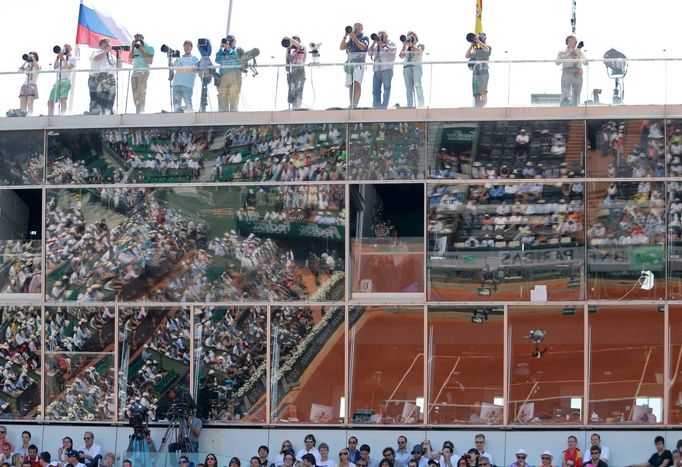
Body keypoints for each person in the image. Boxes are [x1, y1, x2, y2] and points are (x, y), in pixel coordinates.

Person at [340, 22, 369, 109]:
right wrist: (346, 35)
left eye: (357, 28)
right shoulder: (351, 39)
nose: (355, 29)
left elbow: (363, 47)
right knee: (351, 84)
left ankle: (355, 104)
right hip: (350, 63)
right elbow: (341, 47)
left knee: (357, 83)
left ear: (362, 28)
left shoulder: (365, 38)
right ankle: (351, 103)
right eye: (354, 28)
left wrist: (355, 39)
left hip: (359, 63)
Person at [88, 38, 120, 114]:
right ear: (101, 44)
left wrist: (119, 55)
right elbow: (96, 58)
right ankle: (95, 113)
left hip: (109, 79)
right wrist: (106, 51)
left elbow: (119, 67)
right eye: (106, 43)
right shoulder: (96, 52)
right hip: (96, 78)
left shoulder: (112, 56)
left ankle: (107, 111)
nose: (108, 45)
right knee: (96, 99)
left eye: (109, 43)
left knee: (109, 98)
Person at [556, 35, 587, 106]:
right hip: (567, 74)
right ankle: (564, 108)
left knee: (576, 95)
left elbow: (586, 62)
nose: (575, 42)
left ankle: (575, 107)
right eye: (573, 41)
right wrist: (570, 52)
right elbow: (557, 62)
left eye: (575, 41)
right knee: (565, 94)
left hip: (577, 74)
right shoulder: (562, 52)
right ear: (568, 42)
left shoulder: (580, 52)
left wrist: (579, 53)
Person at [369, 30, 396, 109]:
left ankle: (384, 107)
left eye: (382, 36)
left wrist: (381, 44)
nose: (380, 38)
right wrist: (374, 42)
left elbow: (390, 51)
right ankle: (376, 107)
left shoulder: (391, 44)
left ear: (386, 37)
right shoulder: (376, 46)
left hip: (387, 69)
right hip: (377, 70)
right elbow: (369, 53)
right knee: (375, 90)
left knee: (386, 90)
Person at [128, 33, 154, 113]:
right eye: (135, 38)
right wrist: (132, 48)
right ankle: (138, 107)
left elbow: (150, 61)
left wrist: (142, 51)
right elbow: (130, 59)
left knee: (141, 89)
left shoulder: (149, 47)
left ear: (142, 38)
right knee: (134, 90)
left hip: (144, 71)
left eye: (138, 38)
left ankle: (141, 108)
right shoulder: (135, 48)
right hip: (135, 71)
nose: (137, 40)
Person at [48, 43, 77, 116]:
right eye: (64, 48)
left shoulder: (73, 58)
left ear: (71, 49)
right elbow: (55, 67)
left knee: (62, 99)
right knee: (50, 100)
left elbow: (68, 67)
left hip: (66, 80)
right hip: (58, 81)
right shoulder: (61, 59)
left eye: (67, 48)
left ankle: (63, 114)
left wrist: (63, 59)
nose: (65, 49)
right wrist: (57, 58)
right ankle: (50, 116)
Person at [215, 35, 242, 112]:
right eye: (227, 40)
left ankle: (234, 115)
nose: (229, 42)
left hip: (234, 76)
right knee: (222, 97)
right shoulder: (223, 52)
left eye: (231, 40)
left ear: (235, 41)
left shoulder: (237, 50)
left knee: (234, 96)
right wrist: (221, 48)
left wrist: (229, 49)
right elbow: (217, 60)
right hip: (223, 77)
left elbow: (237, 58)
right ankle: (222, 115)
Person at [171, 40, 199, 112]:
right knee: (176, 105)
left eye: (188, 46)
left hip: (187, 85)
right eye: (185, 46)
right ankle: (178, 118)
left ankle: (189, 118)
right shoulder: (179, 58)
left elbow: (195, 69)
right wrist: (170, 58)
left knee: (188, 105)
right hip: (176, 83)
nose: (186, 47)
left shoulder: (194, 59)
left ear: (191, 48)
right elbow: (172, 68)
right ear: (183, 47)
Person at [465, 32, 491, 108]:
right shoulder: (476, 50)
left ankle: (484, 108)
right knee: (476, 93)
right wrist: (472, 44)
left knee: (483, 91)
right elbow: (467, 56)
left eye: (481, 36)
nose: (478, 37)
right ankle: (478, 108)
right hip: (475, 73)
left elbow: (486, 50)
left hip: (483, 72)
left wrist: (479, 41)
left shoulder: (488, 47)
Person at [399, 31, 424, 108]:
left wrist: (412, 45)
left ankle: (421, 104)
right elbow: (401, 56)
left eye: (411, 36)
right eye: (408, 36)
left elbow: (418, 52)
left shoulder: (420, 45)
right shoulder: (406, 47)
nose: (409, 37)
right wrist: (404, 45)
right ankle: (409, 106)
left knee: (418, 85)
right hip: (407, 68)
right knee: (408, 88)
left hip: (416, 67)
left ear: (415, 37)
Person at [285, 36, 307, 110]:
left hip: (300, 71)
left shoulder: (302, 48)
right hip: (293, 72)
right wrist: (288, 49)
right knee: (291, 91)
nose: (294, 43)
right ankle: (293, 108)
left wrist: (290, 39)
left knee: (299, 90)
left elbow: (299, 46)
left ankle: (296, 108)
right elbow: (287, 62)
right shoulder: (292, 52)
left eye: (296, 41)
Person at [18, 51, 40, 115]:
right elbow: (20, 70)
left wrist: (33, 58)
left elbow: (37, 67)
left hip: (32, 84)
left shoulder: (37, 64)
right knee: (22, 102)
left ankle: (30, 116)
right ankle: (22, 116)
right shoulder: (28, 66)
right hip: (25, 85)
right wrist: (26, 61)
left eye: (33, 55)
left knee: (30, 102)